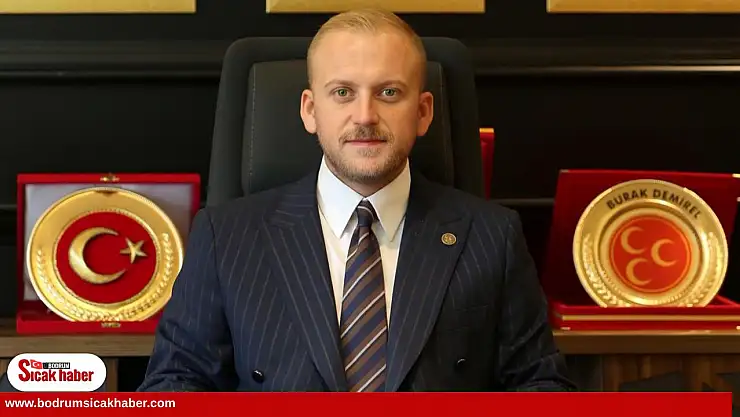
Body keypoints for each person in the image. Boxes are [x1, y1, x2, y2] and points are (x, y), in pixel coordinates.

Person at [138, 9, 575, 392]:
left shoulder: (492, 236)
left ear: (423, 112)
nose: (365, 116)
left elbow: (540, 384)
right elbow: (174, 384)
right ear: (310, 110)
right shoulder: (227, 236)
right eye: (343, 92)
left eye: (389, 93)